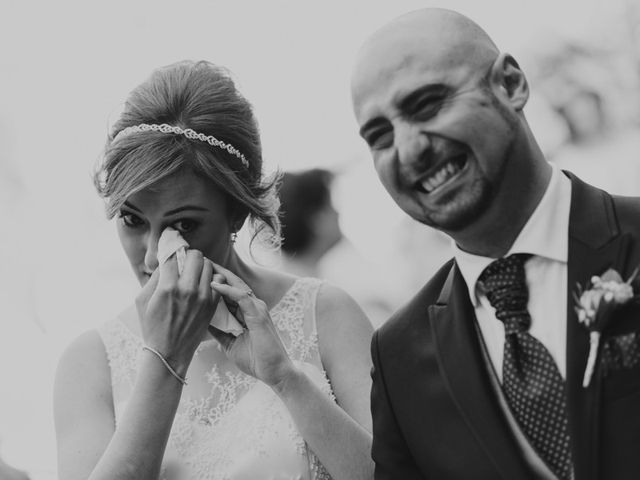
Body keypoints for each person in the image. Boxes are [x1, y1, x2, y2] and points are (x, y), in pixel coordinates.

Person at [350, 8, 640, 480]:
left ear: (510, 84)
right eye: (380, 136)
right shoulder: (397, 355)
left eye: (426, 105)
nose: (408, 150)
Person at [54, 60, 374, 480]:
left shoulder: (328, 313)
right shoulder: (90, 361)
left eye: (184, 225)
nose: (152, 258)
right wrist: (165, 358)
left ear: (237, 213)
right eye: (133, 221)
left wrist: (284, 379)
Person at [278, 168, 342, 277]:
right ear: (314, 220)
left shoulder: (281, 277)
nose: (337, 213)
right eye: (329, 205)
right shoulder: (316, 289)